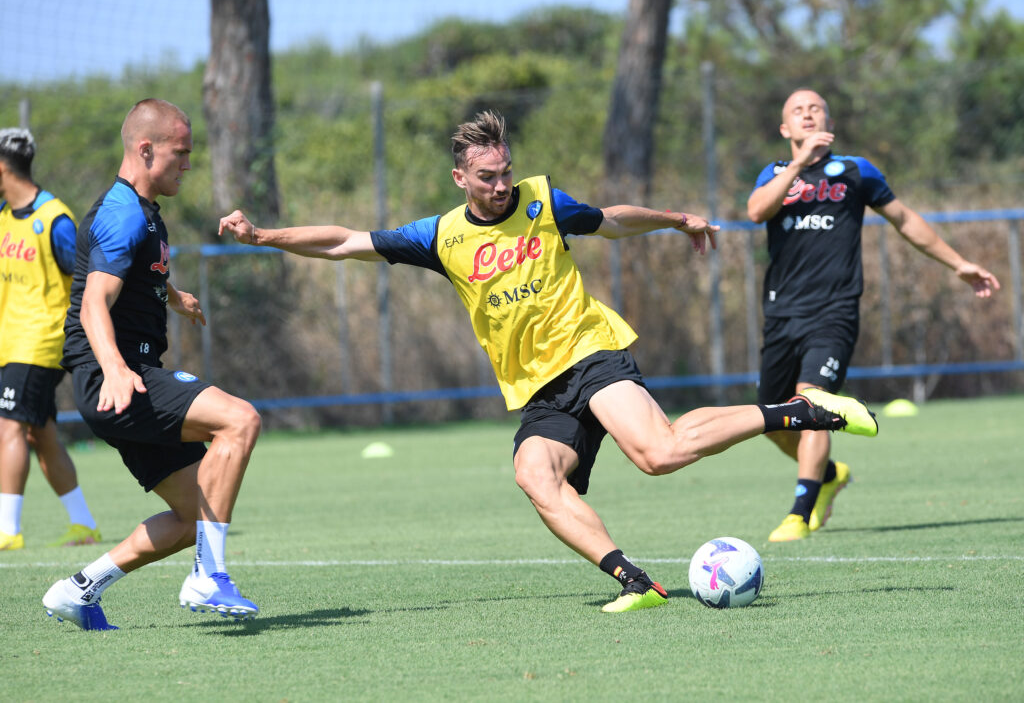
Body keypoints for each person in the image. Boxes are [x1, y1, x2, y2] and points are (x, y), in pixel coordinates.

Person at [219, 109, 878, 613]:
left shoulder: (541, 202)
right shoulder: (440, 235)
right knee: (534, 474)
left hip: (591, 352)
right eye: (487, 176)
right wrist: (264, 236)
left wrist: (676, 218)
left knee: (660, 453)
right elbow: (343, 242)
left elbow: (611, 219)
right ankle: (634, 580)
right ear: (460, 179)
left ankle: (792, 411)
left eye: (506, 170)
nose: (502, 184)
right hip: (539, 386)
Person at [42, 99, 263, 630]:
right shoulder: (122, 213)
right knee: (240, 419)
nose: (188, 163)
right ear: (145, 150)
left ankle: (79, 590)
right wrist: (117, 370)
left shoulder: (137, 210)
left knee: (193, 515)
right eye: (180, 153)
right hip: (117, 379)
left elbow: (134, 276)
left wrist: (173, 295)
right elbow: (95, 301)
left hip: (120, 379)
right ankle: (209, 576)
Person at [747, 88, 1000, 543]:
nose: (807, 114)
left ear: (828, 120)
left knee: (813, 400)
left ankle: (800, 511)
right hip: (782, 312)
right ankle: (829, 475)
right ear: (785, 129)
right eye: (797, 111)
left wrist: (958, 262)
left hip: (834, 310)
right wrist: (800, 165)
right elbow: (755, 211)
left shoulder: (855, 171)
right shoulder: (776, 172)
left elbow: (904, 219)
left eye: (815, 109)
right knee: (772, 417)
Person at [0, 128, 102, 551]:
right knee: (40, 434)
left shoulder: (55, 219)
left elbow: (89, 278)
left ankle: (7, 529)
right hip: (11, 341)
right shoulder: (4, 215)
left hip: (40, 341)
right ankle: (84, 524)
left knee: (7, 427)